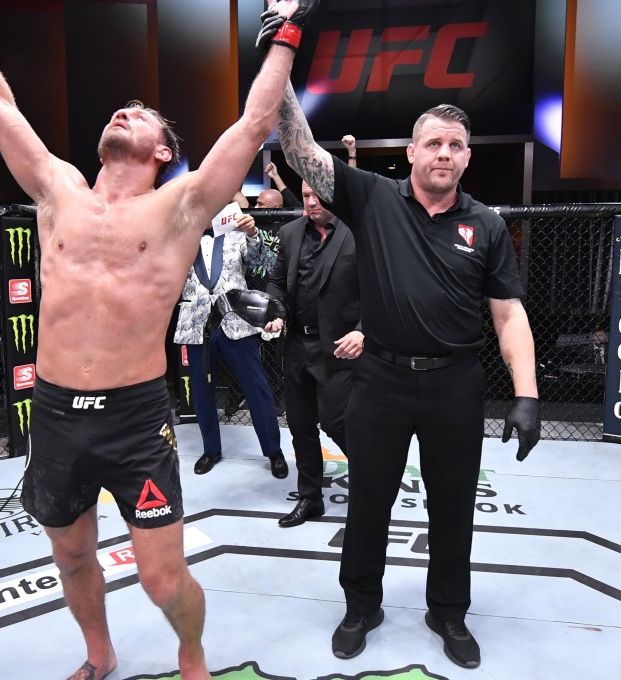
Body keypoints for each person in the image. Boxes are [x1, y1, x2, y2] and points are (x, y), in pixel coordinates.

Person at [0, 2, 318, 678]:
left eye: (140, 114)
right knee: (71, 555)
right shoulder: (57, 190)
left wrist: (287, 32)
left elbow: (256, 123)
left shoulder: (180, 208)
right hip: (56, 412)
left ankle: (192, 649)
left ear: (163, 150)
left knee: (163, 581)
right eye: (119, 110)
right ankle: (98, 651)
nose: (123, 111)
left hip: (134, 417)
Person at [276, 88, 541, 669]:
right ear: (413, 151)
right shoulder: (372, 198)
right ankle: (361, 606)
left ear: (467, 158)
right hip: (382, 380)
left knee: (453, 505)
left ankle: (447, 611)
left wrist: (526, 394)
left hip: (456, 384)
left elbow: (507, 312)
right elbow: (299, 149)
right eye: (433, 143)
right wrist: (283, 52)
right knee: (369, 500)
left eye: (455, 145)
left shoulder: (487, 226)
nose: (443, 153)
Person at [264, 181, 361, 527]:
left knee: (338, 421)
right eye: (305, 195)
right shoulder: (291, 233)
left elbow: (381, 290)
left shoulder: (358, 231)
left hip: (338, 347)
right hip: (296, 346)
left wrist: (362, 330)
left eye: (317, 196)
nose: (310, 202)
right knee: (300, 425)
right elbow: (276, 281)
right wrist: (275, 311)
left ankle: (373, 478)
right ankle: (310, 498)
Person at [173, 205, 288, 479]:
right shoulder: (181, 239)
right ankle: (211, 449)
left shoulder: (237, 234)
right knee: (200, 392)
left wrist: (252, 234)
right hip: (196, 323)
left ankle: (274, 452)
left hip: (235, 321)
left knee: (257, 388)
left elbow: (264, 261)